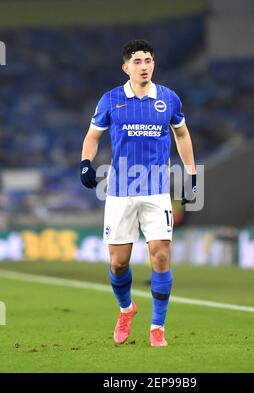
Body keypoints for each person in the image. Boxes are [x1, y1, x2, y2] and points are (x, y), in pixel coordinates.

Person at [80, 39, 196, 347]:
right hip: (119, 191)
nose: (144, 66)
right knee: (119, 263)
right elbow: (93, 136)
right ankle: (126, 308)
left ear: (153, 64)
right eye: (137, 61)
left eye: (148, 61)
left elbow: (182, 134)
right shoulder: (111, 99)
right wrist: (85, 163)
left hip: (157, 190)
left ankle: (157, 327)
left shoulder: (168, 99)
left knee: (160, 254)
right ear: (126, 67)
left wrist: (191, 171)